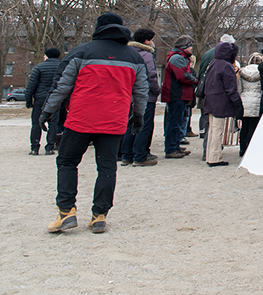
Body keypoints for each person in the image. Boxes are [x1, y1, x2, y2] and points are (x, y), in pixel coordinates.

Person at [41, 12, 148, 234]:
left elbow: (61, 86)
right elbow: (141, 94)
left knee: (67, 162)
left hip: (81, 118)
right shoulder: (135, 57)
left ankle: (66, 212)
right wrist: (138, 118)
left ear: (99, 28)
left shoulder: (81, 51)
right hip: (114, 121)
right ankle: (99, 215)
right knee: (107, 168)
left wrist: (47, 112)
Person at [121, 29, 161, 166]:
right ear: (146, 41)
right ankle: (140, 156)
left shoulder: (126, 53)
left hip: (129, 96)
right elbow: (150, 76)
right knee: (143, 126)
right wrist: (156, 90)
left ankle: (126, 154)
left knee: (130, 125)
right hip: (145, 96)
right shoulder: (146, 55)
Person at [202, 41, 242, 166]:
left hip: (210, 100)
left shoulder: (213, 63)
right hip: (220, 101)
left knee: (212, 130)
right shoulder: (226, 66)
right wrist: (238, 103)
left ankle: (210, 155)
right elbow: (231, 88)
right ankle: (215, 158)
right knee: (217, 130)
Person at [197, 33, 235, 159]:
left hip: (206, 92)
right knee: (215, 127)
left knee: (209, 124)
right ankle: (213, 152)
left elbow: (201, 72)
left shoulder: (208, 55)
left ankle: (207, 151)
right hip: (218, 94)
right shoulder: (224, 61)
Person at [160, 35, 198, 159]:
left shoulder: (180, 57)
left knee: (177, 121)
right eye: (190, 45)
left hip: (179, 93)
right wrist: (195, 80)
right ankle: (171, 148)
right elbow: (183, 76)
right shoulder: (177, 58)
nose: (192, 48)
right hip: (176, 94)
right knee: (174, 122)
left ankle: (175, 146)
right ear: (185, 46)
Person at [25, 47, 61, 156]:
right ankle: (50, 147)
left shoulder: (39, 67)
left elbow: (31, 85)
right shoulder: (63, 67)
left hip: (40, 98)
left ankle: (34, 148)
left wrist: (28, 100)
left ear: (47, 55)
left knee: (36, 123)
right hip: (55, 98)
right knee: (53, 123)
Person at [238, 53, 263, 157]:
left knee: (244, 126)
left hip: (245, 100)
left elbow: (239, 89)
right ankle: (250, 147)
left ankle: (242, 148)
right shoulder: (261, 73)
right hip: (256, 100)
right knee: (253, 126)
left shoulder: (242, 72)